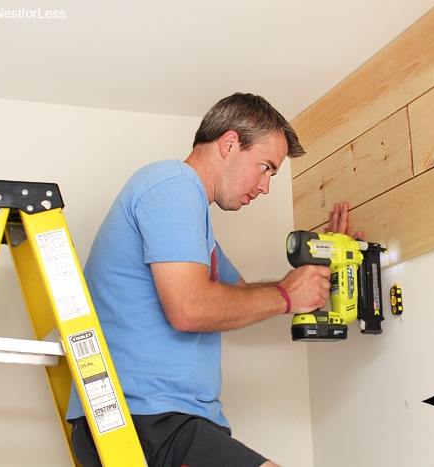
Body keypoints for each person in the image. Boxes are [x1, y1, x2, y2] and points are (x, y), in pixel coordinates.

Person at [66, 93, 356, 467]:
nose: (265, 186)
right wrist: (287, 295)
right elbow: (191, 308)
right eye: (265, 167)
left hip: (170, 422)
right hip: (146, 420)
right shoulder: (171, 186)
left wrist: (325, 263)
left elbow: (236, 294)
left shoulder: (190, 216)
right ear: (230, 143)